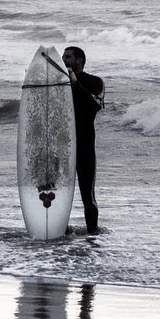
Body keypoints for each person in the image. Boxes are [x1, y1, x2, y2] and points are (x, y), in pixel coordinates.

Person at [61, 45, 104, 234]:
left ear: (79, 60)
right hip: (62, 146)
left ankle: (92, 236)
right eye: (63, 56)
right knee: (57, 194)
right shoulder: (58, 84)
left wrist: (75, 83)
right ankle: (57, 231)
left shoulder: (94, 81)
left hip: (84, 145)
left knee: (88, 195)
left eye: (68, 56)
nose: (64, 59)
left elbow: (94, 106)